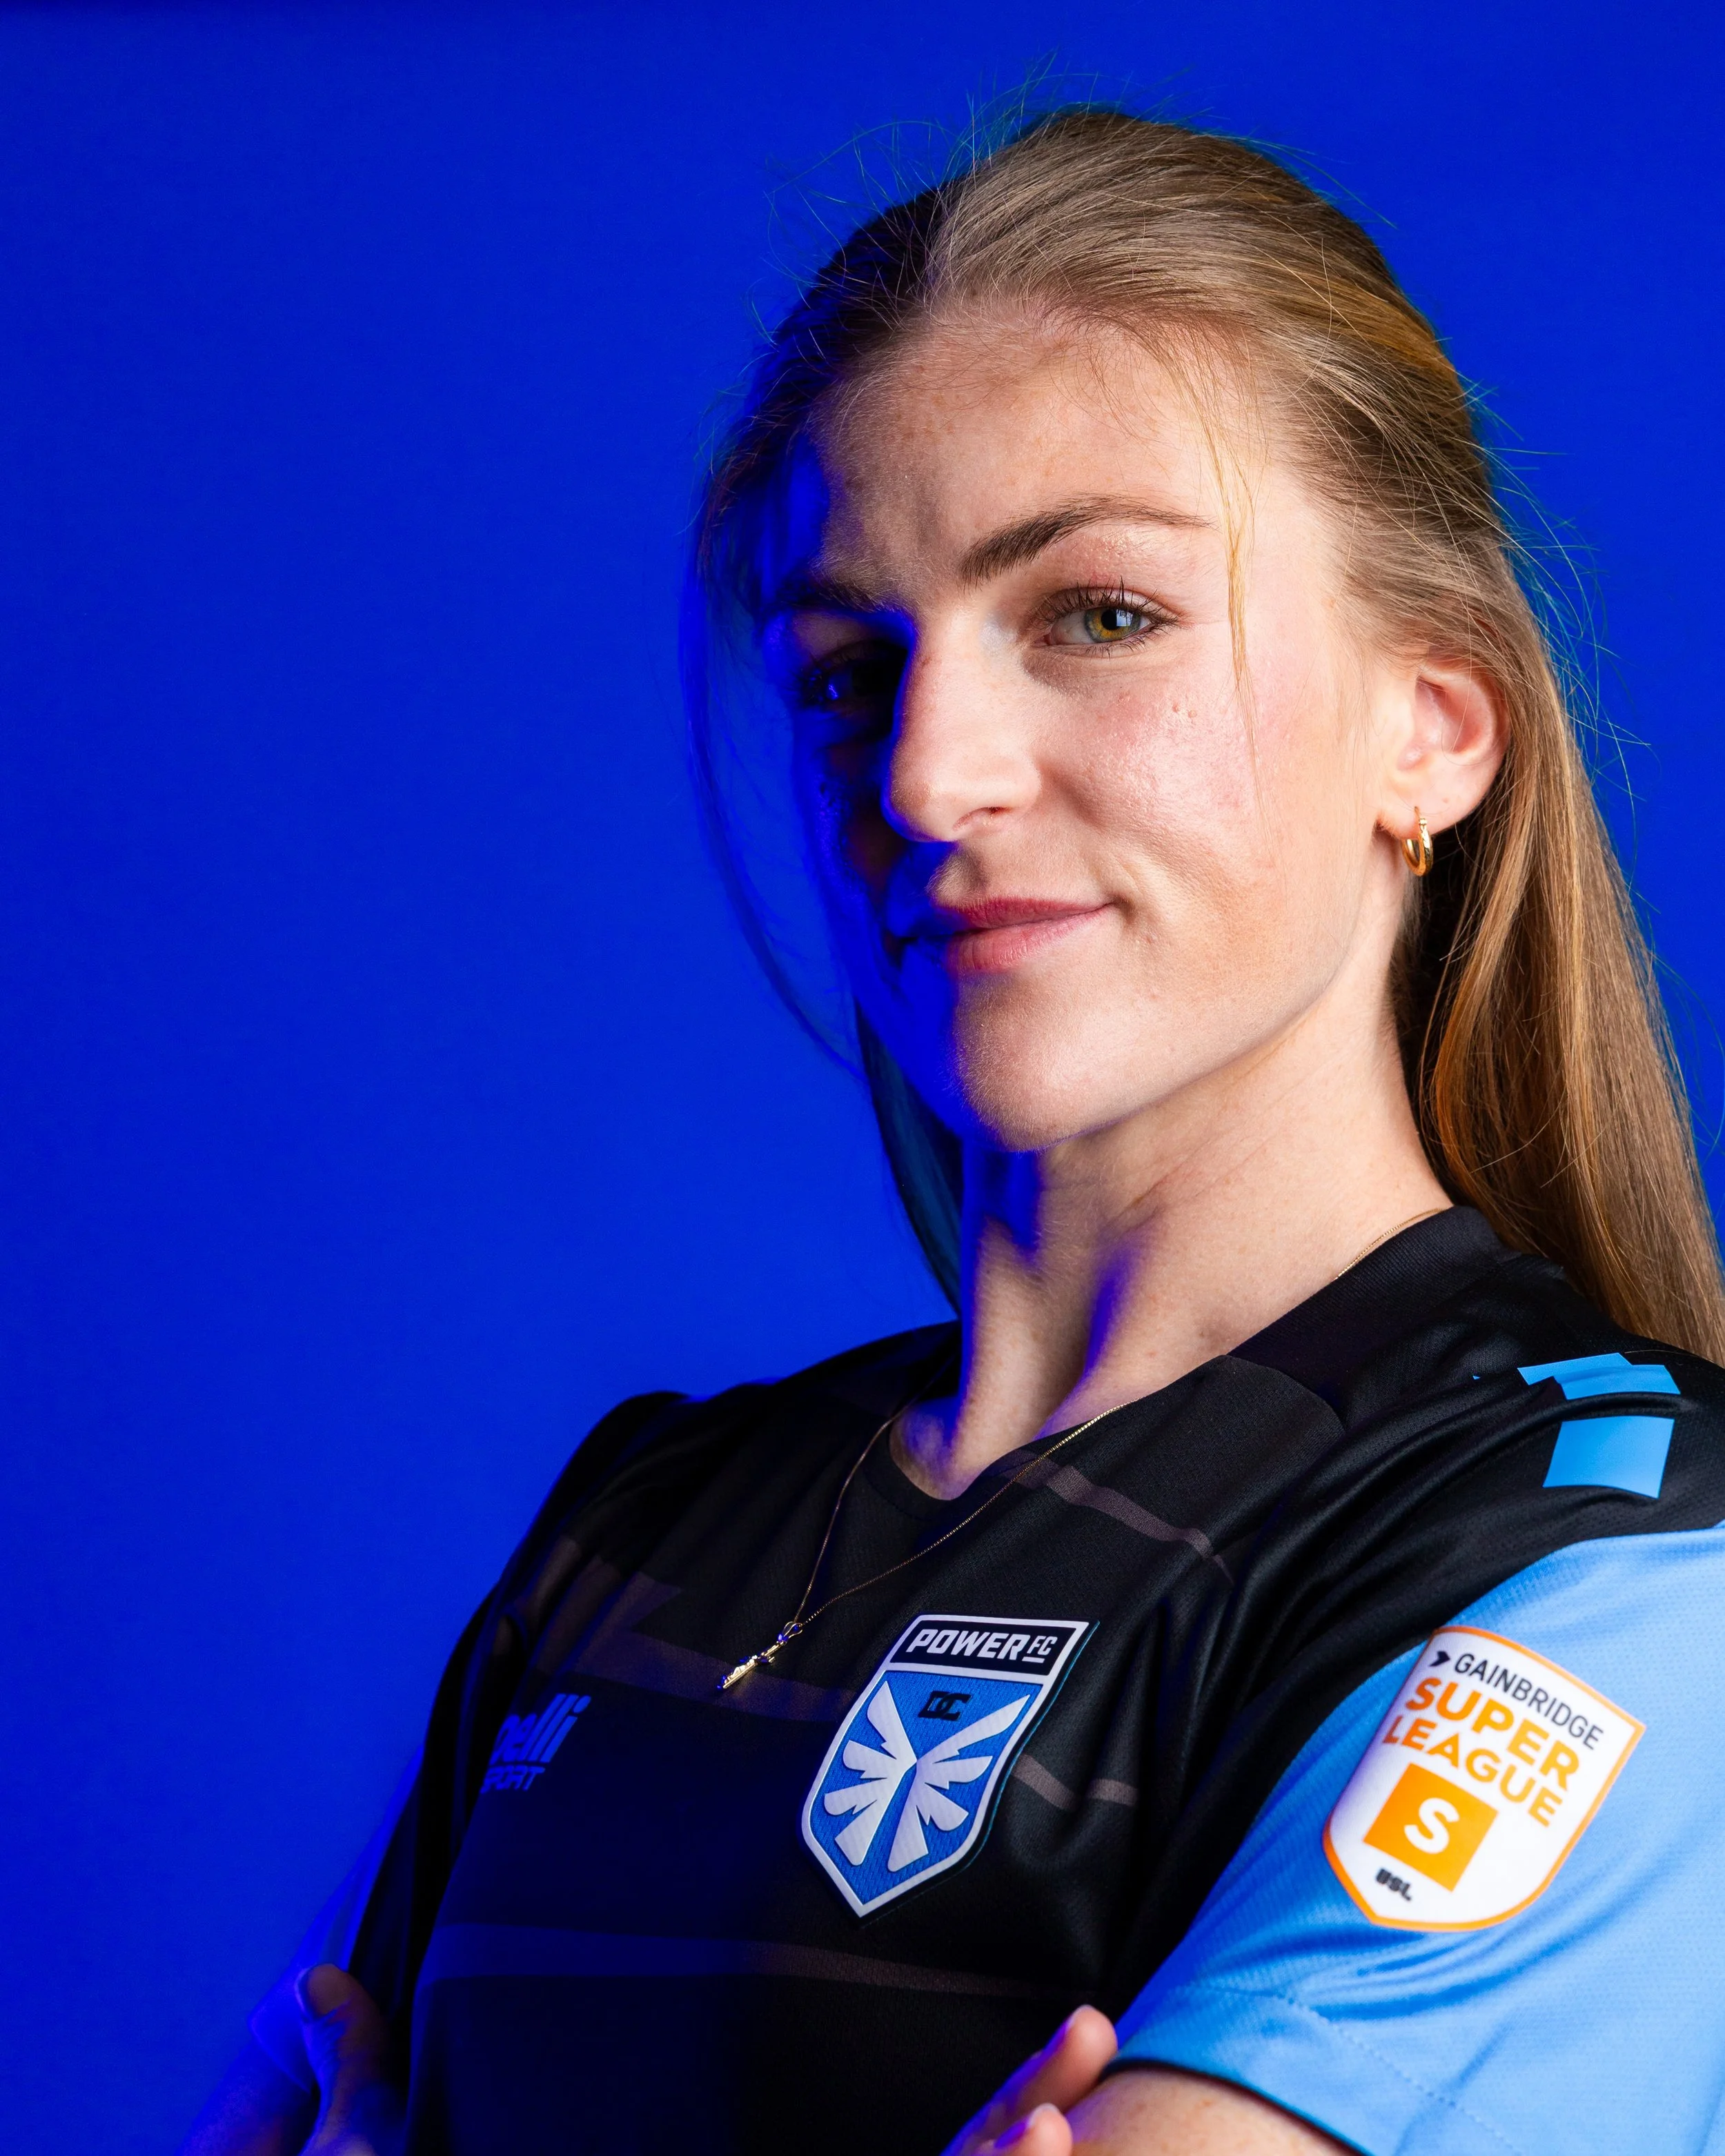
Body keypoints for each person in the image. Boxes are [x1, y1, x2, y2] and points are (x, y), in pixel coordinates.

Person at [180, 108, 1725, 2156]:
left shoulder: (1609, 1537)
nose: (923, 774)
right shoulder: (648, 1519)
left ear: (1429, 726)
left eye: (1095, 613)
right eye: (843, 670)